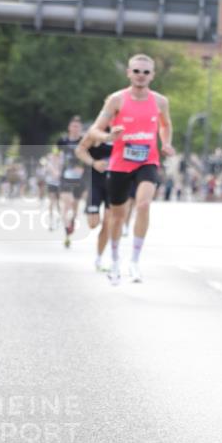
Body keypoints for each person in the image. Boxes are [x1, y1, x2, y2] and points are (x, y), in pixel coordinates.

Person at [89, 53, 175, 284]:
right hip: (119, 164)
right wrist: (108, 135)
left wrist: (165, 143)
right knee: (117, 216)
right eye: (136, 71)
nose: (141, 76)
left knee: (143, 204)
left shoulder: (160, 101)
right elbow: (95, 130)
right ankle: (115, 259)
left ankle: (134, 261)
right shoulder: (116, 100)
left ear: (152, 76)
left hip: (147, 161)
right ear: (129, 73)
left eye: (146, 72)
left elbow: (166, 125)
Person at [75, 127, 113, 271]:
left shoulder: (123, 131)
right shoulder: (97, 132)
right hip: (95, 183)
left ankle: (99, 258)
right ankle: (94, 213)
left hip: (114, 184)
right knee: (93, 224)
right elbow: (79, 150)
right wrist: (93, 163)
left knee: (108, 224)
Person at [58, 117, 86, 248]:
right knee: (66, 203)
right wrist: (56, 169)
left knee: (75, 206)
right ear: (69, 127)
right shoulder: (62, 141)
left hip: (80, 178)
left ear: (80, 129)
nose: (75, 129)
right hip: (65, 176)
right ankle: (66, 229)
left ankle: (72, 222)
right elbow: (56, 155)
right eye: (73, 126)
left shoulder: (84, 141)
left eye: (78, 127)